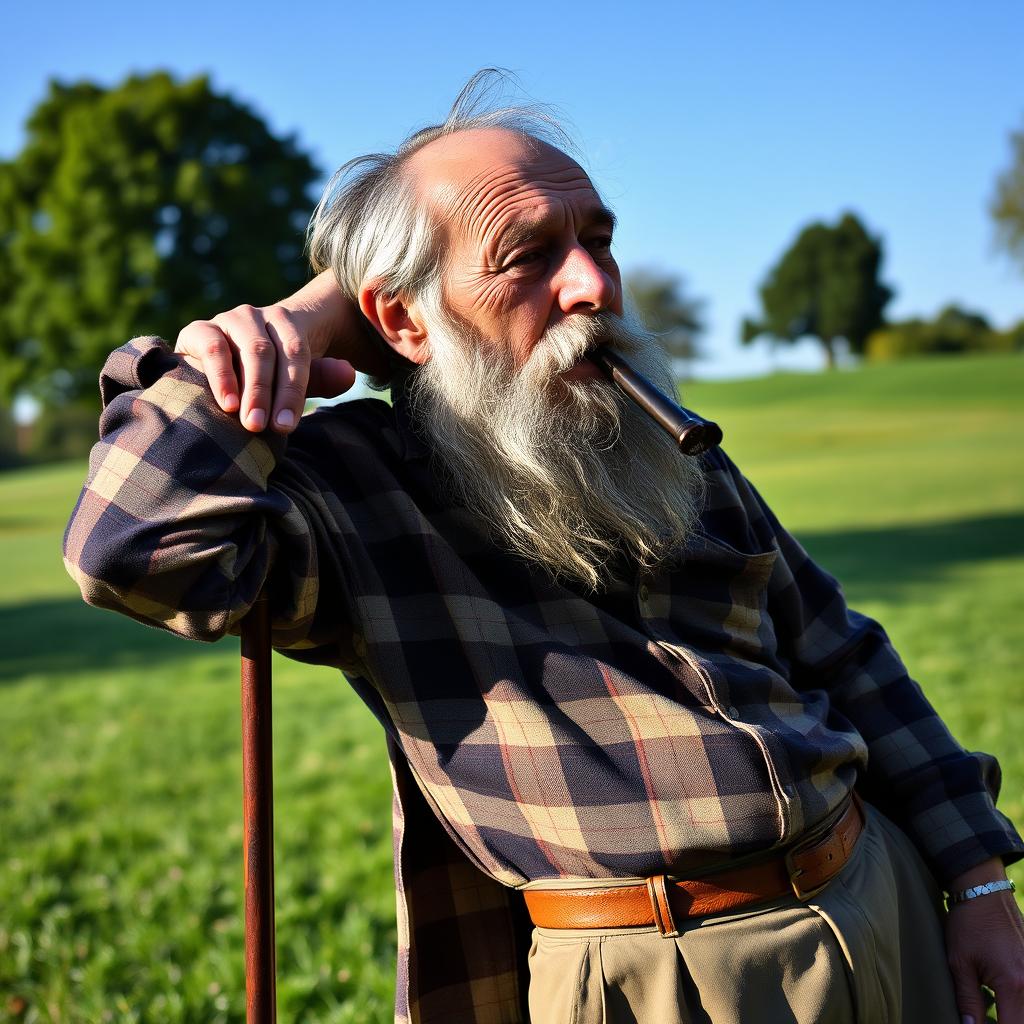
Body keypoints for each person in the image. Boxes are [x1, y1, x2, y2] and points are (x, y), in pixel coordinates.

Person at [65, 71, 1024, 1024]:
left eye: (599, 241)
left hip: (879, 892)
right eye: (528, 256)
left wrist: (977, 881)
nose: (594, 285)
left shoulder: (667, 442)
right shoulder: (356, 489)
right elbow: (129, 542)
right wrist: (304, 317)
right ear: (401, 318)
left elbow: (842, 650)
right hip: (655, 980)